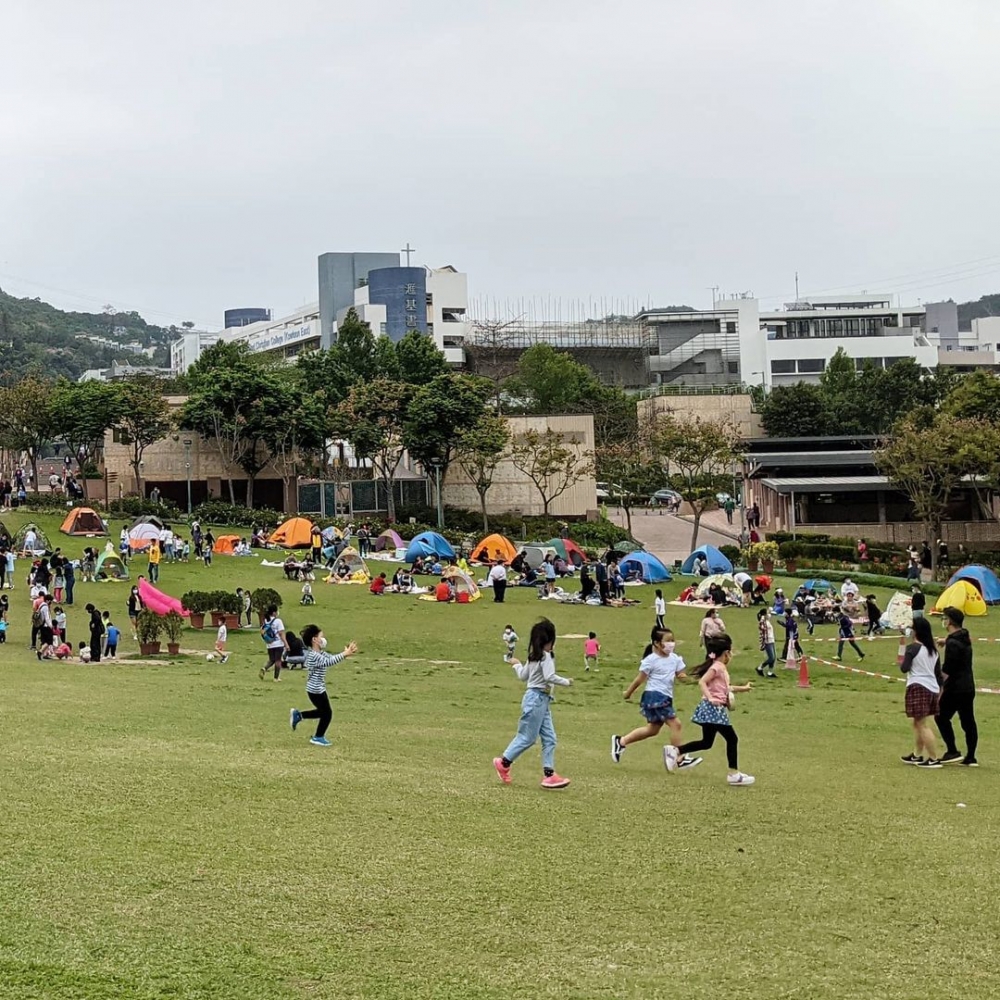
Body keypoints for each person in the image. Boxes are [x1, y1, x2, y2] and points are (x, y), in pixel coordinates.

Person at [493, 618, 572, 789]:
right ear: (549, 641)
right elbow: (549, 677)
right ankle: (504, 762)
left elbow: (523, 676)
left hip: (542, 701)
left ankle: (549, 775)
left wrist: (516, 665)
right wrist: (566, 682)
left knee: (550, 738)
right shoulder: (546, 657)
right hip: (536, 700)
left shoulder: (535, 656)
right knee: (527, 737)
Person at [611, 627, 700, 772]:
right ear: (657, 643)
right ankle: (679, 758)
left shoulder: (675, 659)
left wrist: (694, 679)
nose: (671, 643)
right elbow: (639, 680)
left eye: (673, 640)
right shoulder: (650, 660)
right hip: (654, 695)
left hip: (666, 697)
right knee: (676, 724)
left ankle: (621, 741)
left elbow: (680, 675)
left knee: (653, 729)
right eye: (668, 641)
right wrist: (628, 693)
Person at [676, 632, 756, 786]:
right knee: (732, 738)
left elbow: (726, 688)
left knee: (707, 742)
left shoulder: (720, 667)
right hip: (713, 709)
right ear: (726, 653)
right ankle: (733, 774)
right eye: (730, 651)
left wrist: (743, 689)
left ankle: (676, 751)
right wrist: (710, 697)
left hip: (714, 709)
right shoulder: (717, 667)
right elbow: (702, 682)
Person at [289, 624, 358, 747]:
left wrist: (345, 653)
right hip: (315, 690)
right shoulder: (314, 656)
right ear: (315, 640)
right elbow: (328, 662)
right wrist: (344, 653)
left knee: (323, 712)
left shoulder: (319, 653)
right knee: (327, 713)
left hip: (317, 689)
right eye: (321, 636)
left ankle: (299, 716)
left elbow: (331, 658)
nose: (324, 639)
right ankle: (318, 737)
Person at [935, 607, 978, 766]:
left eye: (945, 618)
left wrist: (939, 686)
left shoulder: (953, 643)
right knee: (968, 721)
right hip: (968, 686)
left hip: (955, 688)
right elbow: (956, 641)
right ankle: (971, 756)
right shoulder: (964, 637)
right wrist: (945, 640)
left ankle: (952, 750)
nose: (943, 621)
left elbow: (948, 669)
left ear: (950, 621)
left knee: (940, 716)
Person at [899, 616, 944, 768]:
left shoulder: (913, 648)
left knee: (922, 725)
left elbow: (904, 668)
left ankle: (933, 758)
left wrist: (904, 653)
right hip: (932, 688)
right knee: (918, 723)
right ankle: (917, 754)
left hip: (918, 686)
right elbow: (938, 674)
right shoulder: (933, 651)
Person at [258, 606, 288, 681]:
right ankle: (276, 678)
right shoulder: (278, 621)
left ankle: (264, 668)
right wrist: (286, 644)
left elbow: (262, 631)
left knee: (272, 659)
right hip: (278, 643)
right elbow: (281, 633)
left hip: (269, 644)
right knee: (278, 660)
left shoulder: (265, 621)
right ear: (274, 612)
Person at [756, 606, 776, 677]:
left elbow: (770, 615)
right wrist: (762, 618)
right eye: (767, 613)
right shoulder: (763, 622)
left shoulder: (767, 621)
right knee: (771, 658)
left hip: (771, 640)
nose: (768, 615)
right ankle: (760, 667)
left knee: (773, 658)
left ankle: (770, 672)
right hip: (767, 641)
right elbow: (761, 626)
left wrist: (769, 611)